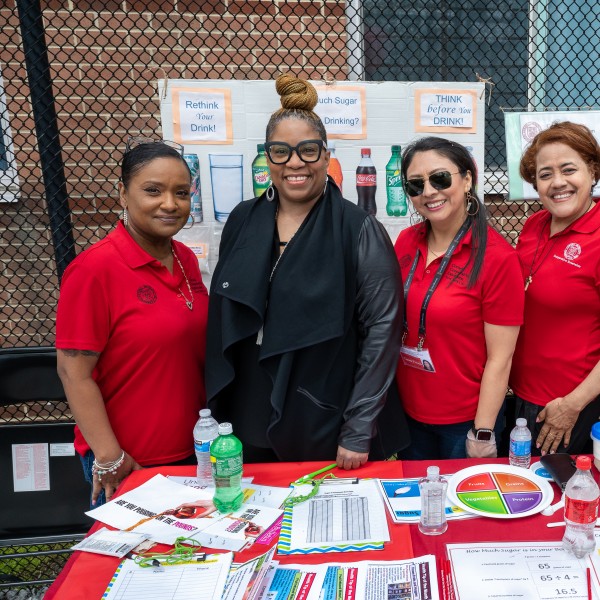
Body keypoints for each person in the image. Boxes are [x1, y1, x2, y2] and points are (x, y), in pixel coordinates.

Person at [205, 73, 408, 469]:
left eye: (308, 150)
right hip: (248, 405)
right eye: (281, 151)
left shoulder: (358, 228)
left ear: (326, 155)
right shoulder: (244, 219)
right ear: (268, 156)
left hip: (323, 409)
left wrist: (358, 426)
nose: (295, 163)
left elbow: (382, 331)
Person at [56, 138, 209, 505]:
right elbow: (73, 373)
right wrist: (110, 457)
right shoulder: (94, 270)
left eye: (181, 192)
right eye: (152, 191)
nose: (170, 204)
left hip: (193, 455)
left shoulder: (185, 258)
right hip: (130, 463)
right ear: (123, 194)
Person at [395, 137, 524, 460]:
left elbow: (501, 359)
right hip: (408, 413)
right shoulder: (406, 242)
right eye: (415, 185)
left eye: (440, 178)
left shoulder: (497, 258)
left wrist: (482, 431)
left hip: (463, 424)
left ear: (467, 179)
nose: (428, 192)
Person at [510, 121, 600, 455]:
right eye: (545, 174)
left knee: (565, 497)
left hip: (570, 406)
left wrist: (573, 404)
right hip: (520, 396)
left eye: (569, 169)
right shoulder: (535, 225)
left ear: (592, 171)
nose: (557, 183)